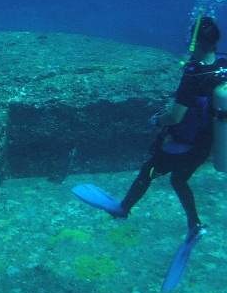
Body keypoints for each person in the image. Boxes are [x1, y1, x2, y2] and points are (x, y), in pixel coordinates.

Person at [74, 16, 227, 240]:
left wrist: (156, 120)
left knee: (148, 172)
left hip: (182, 144)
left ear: (194, 43)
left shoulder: (193, 75)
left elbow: (175, 117)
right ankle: (195, 224)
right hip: (207, 143)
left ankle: (123, 209)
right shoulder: (223, 66)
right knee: (179, 180)